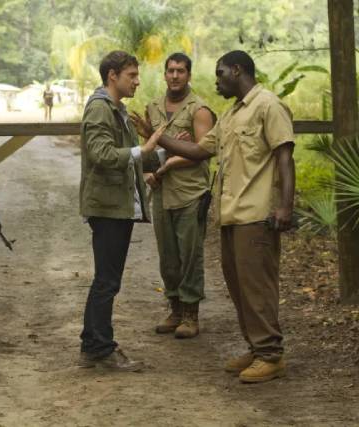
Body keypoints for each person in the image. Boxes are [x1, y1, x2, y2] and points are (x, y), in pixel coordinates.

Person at [138, 50, 295, 383]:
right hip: (231, 214)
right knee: (238, 286)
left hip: (256, 214)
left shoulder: (268, 106)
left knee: (257, 286)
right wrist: (154, 136)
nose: (217, 80)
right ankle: (256, 348)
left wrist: (285, 206)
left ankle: (271, 354)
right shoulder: (232, 114)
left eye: (220, 73)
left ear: (237, 70)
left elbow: (284, 156)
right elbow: (198, 150)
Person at [78, 50, 164, 371]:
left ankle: (93, 342)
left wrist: (163, 148)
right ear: (112, 75)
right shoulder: (100, 109)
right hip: (108, 207)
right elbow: (100, 154)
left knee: (106, 278)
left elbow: (138, 157)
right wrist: (143, 148)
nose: (137, 81)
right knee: (107, 280)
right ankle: (100, 348)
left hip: (117, 206)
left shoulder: (119, 111)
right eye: (132, 75)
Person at [134, 53, 215, 339]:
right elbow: (147, 147)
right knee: (168, 256)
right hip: (160, 191)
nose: (175, 75)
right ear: (164, 74)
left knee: (189, 255)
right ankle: (175, 308)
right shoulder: (153, 107)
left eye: (181, 71)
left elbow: (202, 151)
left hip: (189, 192)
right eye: (170, 71)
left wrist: (168, 161)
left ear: (189, 75)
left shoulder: (200, 110)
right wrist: (148, 172)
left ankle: (191, 314)